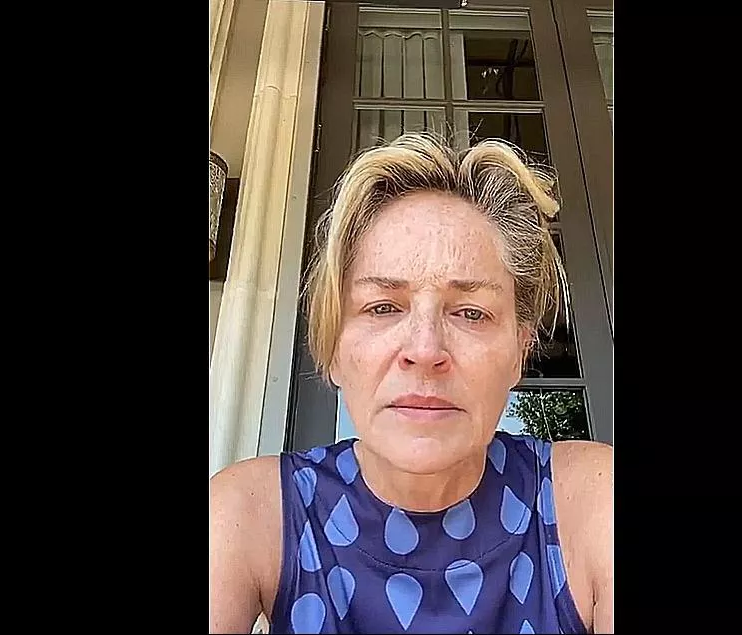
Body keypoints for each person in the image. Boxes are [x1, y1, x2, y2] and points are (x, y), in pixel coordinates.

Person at [209, 132, 613, 634]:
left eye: (471, 312)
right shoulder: (249, 512)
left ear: (519, 351)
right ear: (333, 348)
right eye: (382, 307)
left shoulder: (591, 502)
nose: (424, 350)